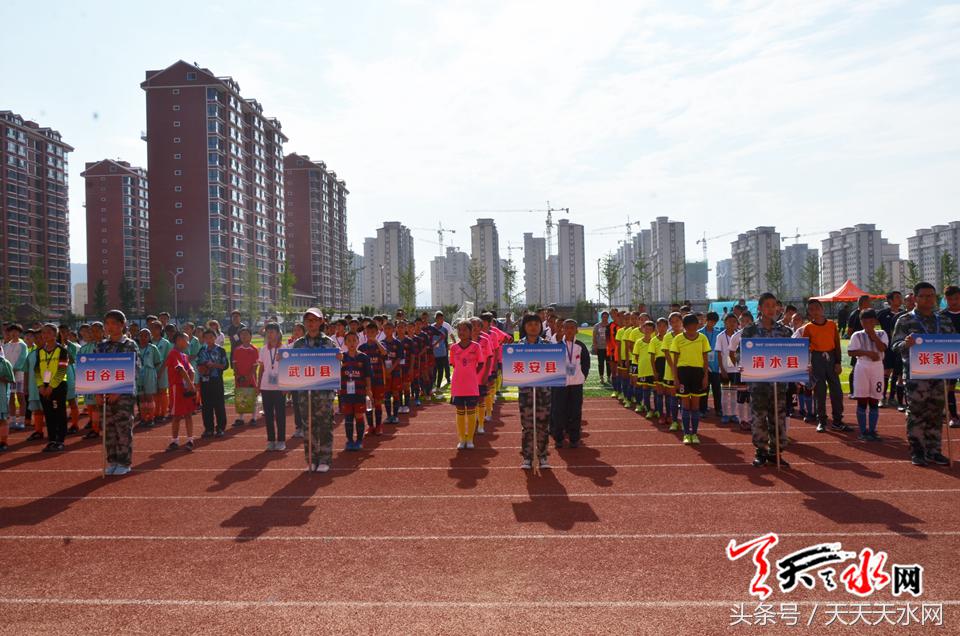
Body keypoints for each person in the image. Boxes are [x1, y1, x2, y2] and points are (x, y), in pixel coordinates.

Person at [892, 282, 956, 466]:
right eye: (924, 296)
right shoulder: (905, 320)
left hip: (939, 374)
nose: (928, 299)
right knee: (917, 413)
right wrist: (906, 344)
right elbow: (895, 346)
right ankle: (918, 451)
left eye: (931, 295)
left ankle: (934, 450)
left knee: (936, 413)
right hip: (916, 376)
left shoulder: (943, 320)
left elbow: (952, 344)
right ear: (915, 298)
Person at [739, 293, 794, 468]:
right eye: (767, 305)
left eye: (774, 305)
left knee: (778, 419)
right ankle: (761, 451)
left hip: (779, 384)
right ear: (760, 308)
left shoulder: (785, 332)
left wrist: (802, 366)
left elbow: (793, 355)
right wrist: (743, 364)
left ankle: (775, 452)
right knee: (759, 418)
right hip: (758, 384)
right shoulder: (750, 331)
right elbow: (741, 354)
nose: (771, 309)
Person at [95, 311, 141, 474]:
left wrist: (119, 391)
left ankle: (124, 462)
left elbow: (134, 369)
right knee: (109, 429)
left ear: (122, 325)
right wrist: (97, 392)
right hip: (105, 393)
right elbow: (95, 369)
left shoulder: (129, 345)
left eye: (114, 323)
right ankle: (112, 461)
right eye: (107, 323)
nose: (110, 327)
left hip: (124, 395)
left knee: (123, 427)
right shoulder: (101, 346)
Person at [294, 308, 339, 472]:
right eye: (308, 320)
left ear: (321, 322)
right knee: (308, 426)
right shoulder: (298, 344)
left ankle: (325, 459)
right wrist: (282, 360)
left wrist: (339, 359)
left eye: (314, 320)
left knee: (325, 425)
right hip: (305, 393)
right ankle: (311, 459)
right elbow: (292, 366)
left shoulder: (329, 343)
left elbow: (337, 366)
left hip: (324, 393)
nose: (311, 323)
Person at [800, 299, 848, 433]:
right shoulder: (808, 328)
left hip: (831, 359)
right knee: (819, 393)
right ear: (808, 312)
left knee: (837, 392)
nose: (815, 311)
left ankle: (837, 421)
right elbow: (805, 348)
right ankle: (821, 420)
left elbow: (837, 345)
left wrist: (838, 362)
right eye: (811, 309)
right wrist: (808, 364)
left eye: (817, 308)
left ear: (822, 309)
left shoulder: (832, 325)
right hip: (817, 360)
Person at [27, 324, 72, 452]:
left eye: (48, 332)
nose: (45, 335)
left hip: (58, 386)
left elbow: (62, 370)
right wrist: (40, 386)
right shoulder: (40, 351)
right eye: (43, 332)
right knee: (49, 414)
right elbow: (37, 370)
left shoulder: (62, 350)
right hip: (44, 386)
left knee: (59, 414)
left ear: (55, 334)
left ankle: (60, 440)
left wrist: (51, 387)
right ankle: (51, 440)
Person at [517, 313, 552, 470]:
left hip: (544, 391)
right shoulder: (518, 346)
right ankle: (527, 457)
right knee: (527, 425)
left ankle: (543, 456)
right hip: (526, 391)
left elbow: (555, 366)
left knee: (543, 424)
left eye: (536, 324)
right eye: (529, 324)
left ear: (541, 326)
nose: (533, 327)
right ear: (524, 327)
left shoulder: (548, 345)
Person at [670, 314, 711, 445]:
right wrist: (676, 378)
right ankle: (687, 433)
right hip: (683, 373)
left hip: (697, 373)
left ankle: (695, 433)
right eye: (688, 326)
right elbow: (675, 361)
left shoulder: (702, 338)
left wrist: (705, 376)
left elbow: (705, 359)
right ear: (684, 326)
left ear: (697, 325)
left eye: (694, 326)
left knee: (695, 406)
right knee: (686, 405)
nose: (691, 329)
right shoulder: (678, 339)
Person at [848, 309, 888, 442]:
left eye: (870, 321)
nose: (867, 324)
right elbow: (851, 352)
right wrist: (868, 353)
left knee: (874, 399)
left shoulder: (882, 333)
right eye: (864, 322)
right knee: (862, 399)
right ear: (861, 322)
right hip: (862, 366)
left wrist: (873, 336)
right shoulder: (857, 335)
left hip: (877, 367)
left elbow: (882, 348)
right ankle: (863, 431)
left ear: (875, 321)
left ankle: (872, 430)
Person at [552, 319, 591, 448]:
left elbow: (586, 363)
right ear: (562, 329)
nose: (569, 330)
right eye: (566, 328)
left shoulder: (580, 346)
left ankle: (574, 438)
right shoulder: (557, 346)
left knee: (575, 411)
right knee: (558, 410)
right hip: (560, 384)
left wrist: (582, 377)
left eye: (572, 328)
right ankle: (558, 438)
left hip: (576, 384)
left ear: (576, 330)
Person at [450, 320, 483, 449]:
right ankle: (461, 439)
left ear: (470, 332)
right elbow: (453, 364)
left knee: (471, 411)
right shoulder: (453, 348)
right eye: (459, 330)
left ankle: (470, 439)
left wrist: (472, 374)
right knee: (459, 411)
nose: (461, 332)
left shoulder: (476, 347)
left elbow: (481, 363)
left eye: (464, 330)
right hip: (457, 384)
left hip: (471, 385)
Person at [254, 322, 286, 451]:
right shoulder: (263, 349)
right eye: (267, 332)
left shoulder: (284, 348)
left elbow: (288, 369)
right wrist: (258, 385)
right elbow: (261, 368)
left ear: (278, 333)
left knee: (280, 415)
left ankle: (281, 440)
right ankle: (271, 440)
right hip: (266, 386)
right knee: (268, 415)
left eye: (272, 332)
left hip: (280, 387)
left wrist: (286, 386)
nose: (269, 334)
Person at [339, 331, 373, 451]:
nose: (352, 343)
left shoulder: (364, 357)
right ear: (345, 343)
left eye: (354, 340)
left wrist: (369, 389)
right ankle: (349, 441)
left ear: (358, 341)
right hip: (346, 392)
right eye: (349, 340)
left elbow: (368, 375)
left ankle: (359, 440)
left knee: (359, 415)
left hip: (360, 392)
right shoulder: (341, 357)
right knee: (348, 417)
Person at [197, 328, 228, 438]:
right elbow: (198, 364)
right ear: (203, 339)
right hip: (205, 381)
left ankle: (220, 428)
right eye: (206, 337)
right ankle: (208, 428)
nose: (209, 339)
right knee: (206, 406)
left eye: (211, 337)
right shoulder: (202, 350)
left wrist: (214, 365)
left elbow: (225, 365)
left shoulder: (221, 350)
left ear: (215, 337)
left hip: (216, 380)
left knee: (219, 405)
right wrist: (204, 368)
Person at [877, 291, 906, 409]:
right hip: (887, 347)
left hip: (899, 347)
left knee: (897, 373)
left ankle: (892, 398)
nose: (900, 299)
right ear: (890, 301)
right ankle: (882, 397)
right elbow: (872, 324)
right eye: (897, 297)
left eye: (900, 297)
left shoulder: (904, 314)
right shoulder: (882, 313)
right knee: (886, 372)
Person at [359, 323, 388, 436]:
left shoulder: (380, 345)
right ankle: (370, 426)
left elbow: (384, 352)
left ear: (377, 333)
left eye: (373, 332)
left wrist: (376, 341)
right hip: (367, 381)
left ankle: (379, 426)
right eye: (368, 332)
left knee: (378, 403)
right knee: (368, 403)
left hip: (379, 379)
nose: (370, 334)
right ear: (365, 333)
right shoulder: (362, 348)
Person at [78, 322, 104, 439]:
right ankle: (95, 429)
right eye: (92, 331)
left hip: (105, 381)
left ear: (103, 331)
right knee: (92, 406)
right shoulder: (84, 348)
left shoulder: (108, 346)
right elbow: (81, 365)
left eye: (97, 330)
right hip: (89, 381)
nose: (94, 333)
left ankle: (105, 428)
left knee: (103, 406)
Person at [845, 294, 873, 398]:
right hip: (858, 346)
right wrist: (855, 341)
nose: (871, 304)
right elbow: (849, 331)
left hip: (869, 344)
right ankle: (852, 391)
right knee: (855, 367)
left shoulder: (869, 314)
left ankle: (866, 390)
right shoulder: (854, 315)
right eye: (869, 302)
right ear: (864, 302)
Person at [231, 327, 259, 427]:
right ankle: (241, 418)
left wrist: (248, 376)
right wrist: (237, 374)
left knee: (252, 396)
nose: (244, 336)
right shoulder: (237, 350)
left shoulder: (254, 349)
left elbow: (255, 366)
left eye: (246, 334)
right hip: (239, 377)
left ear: (251, 336)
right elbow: (234, 364)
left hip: (250, 377)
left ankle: (253, 418)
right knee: (241, 396)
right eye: (242, 334)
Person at [716, 313, 741, 426]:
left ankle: (734, 414)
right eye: (729, 321)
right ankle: (725, 414)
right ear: (725, 323)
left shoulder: (739, 335)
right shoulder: (720, 336)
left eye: (734, 321)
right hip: (725, 369)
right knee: (725, 392)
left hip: (736, 369)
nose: (732, 323)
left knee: (734, 393)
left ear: (737, 323)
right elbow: (719, 354)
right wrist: (722, 369)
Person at [941, 285, 960, 428]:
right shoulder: (940, 316)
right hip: (950, 356)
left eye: (957, 298)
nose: (954, 301)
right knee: (949, 387)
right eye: (950, 299)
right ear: (946, 299)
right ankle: (953, 416)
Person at [3, 324, 28, 432]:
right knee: (11, 398)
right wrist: (7, 372)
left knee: (20, 397)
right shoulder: (6, 346)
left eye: (16, 331)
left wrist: (14, 369)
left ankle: (21, 421)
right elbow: (4, 360)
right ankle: (13, 421)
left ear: (19, 333)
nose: (13, 333)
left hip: (19, 376)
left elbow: (22, 359)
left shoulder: (22, 345)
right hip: (9, 376)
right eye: (11, 331)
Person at [135, 328, 161, 428]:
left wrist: (155, 375)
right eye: (141, 335)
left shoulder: (153, 348)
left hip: (149, 372)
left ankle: (150, 418)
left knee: (149, 397)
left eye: (146, 336)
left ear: (150, 337)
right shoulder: (135, 348)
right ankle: (143, 418)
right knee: (141, 397)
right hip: (138, 373)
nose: (143, 337)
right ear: (138, 337)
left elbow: (157, 362)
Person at [699, 312, 722, 418]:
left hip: (715, 366)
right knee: (704, 388)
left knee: (717, 389)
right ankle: (702, 409)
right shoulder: (699, 333)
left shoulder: (718, 333)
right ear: (706, 320)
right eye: (710, 321)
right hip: (703, 366)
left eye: (714, 322)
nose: (712, 323)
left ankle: (718, 409)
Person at [150, 321, 173, 423]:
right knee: (154, 392)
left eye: (155, 328)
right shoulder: (149, 342)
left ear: (160, 330)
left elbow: (168, 358)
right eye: (151, 328)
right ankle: (156, 413)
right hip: (151, 369)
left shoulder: (165, 342)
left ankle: (163, 413)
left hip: (162, 369)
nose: (153, 330)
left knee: (163, 391)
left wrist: (161, 371)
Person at [381, 321, 403, 424]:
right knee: (386, 395)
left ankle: (395, 416)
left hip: (395, 372)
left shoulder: (398, 343)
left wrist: (391, 369)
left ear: (393, 330)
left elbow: (399, 358)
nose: (387, 330)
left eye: (389, 328)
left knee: (395, 393)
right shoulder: (381, 343)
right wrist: (385, 371)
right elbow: (380, 358)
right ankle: (389, 416)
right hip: (385, 373)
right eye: (385, 328)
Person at [431, 312, 452, 393]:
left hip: (442, 353)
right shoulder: (431, 329)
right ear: (436, 319)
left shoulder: (444, 330)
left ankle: (438, 386)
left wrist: (446, 351)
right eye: (439, 319)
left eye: (442, 319)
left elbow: (445, 341)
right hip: (433, 353)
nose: (441, 320)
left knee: (440, 370)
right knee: (433, 370)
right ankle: (433, 384)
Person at [0, 345, 13, 451]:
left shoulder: (5, 362)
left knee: (2, 419)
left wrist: (1, 378)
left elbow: (11, 379)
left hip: (2, 396)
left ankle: (3, 442)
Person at [593, 312, 610, 385]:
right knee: (601, 363)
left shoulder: (610, 325)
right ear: (601, 317)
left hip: (608, 348)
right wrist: (595, 346)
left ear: (608, 317)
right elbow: (594, 336)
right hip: (600, 347)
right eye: (603, 317)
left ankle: (609, 377)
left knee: (608, 363)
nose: (605, 318)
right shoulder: (597, 326)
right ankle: (601, 377)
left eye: (606, 317)